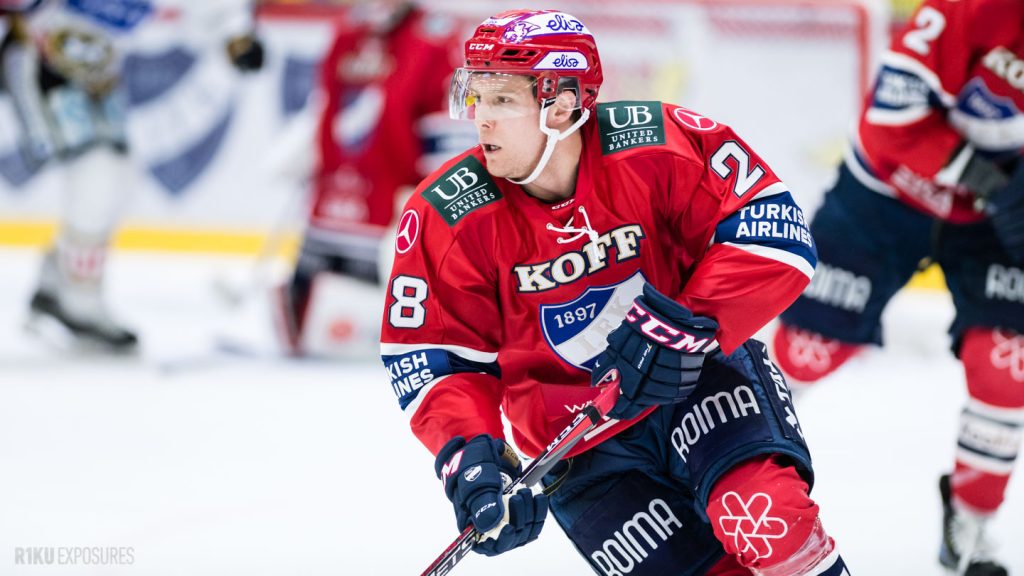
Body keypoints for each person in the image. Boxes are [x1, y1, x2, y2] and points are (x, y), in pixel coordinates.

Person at [380, 9, 850, 575]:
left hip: (697, 381)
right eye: (476, 95)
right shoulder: (446, 213)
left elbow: (774, 229)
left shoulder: (655, 143)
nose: (481, 117)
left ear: (561, 104)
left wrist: (687, 325)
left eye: (502, 99)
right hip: (580, 449)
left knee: (768, 521)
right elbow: (433, 356)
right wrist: (473, 456)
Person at [770, 0, 1024, 574]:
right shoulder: (972, 10)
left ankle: (971, 527)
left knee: (1007, 365)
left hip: (992, 214)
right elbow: (891, 123)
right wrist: (991, 180)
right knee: (809, 350)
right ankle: (716, 465)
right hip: (887, 192)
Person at [1, 0, 263, 352]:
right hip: (41, 61)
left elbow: (213, 11)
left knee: (119, 177)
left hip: (99, 74)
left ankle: (61, 280)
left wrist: (236, 35)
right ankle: (78, 301)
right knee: (99, 172)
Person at [269, 0, 473, 358]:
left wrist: (435, 195)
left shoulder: (436, 38)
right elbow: (328, 103)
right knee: (303, 316)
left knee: (376, 313)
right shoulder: (347, 31)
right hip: (331, 205)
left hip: (392, 211)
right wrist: (311, 150)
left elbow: (446, 128)